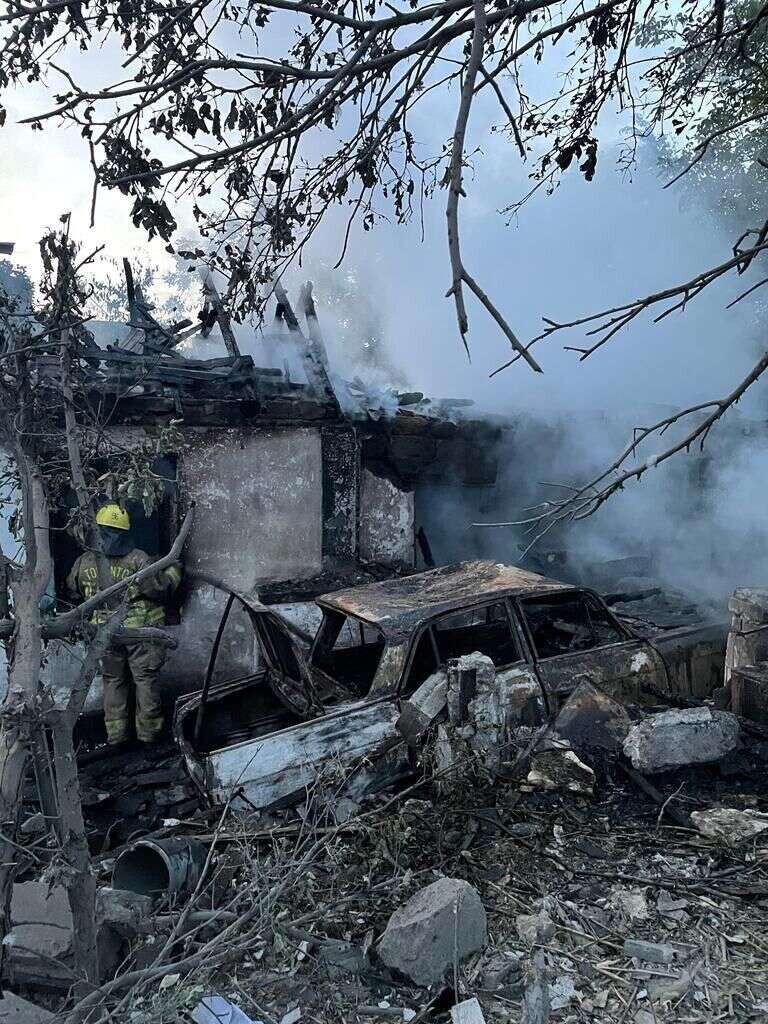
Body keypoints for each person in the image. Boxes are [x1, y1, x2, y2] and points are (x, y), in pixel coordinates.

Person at [67, 503, 182, 745]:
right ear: (126, 532)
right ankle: (149, 736)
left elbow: (72, 590)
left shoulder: (84, 561)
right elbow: (158, 589)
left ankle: (116, 736)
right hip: (140, 632)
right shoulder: (138, 558)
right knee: (145, 679)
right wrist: (174, 571)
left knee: (112, 680)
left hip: (103, 632)